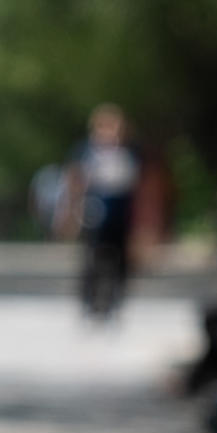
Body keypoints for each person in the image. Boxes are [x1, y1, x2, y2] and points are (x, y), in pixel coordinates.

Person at [65, 104, 141, 318]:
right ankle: (90, 301)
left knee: (121, 258)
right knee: (91, 258)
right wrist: (70, 212)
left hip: (121, 211)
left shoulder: (130, 151)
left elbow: (140, 185)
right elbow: (74, 179)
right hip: (94, 209)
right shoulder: (86, 150)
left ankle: (116, 299)